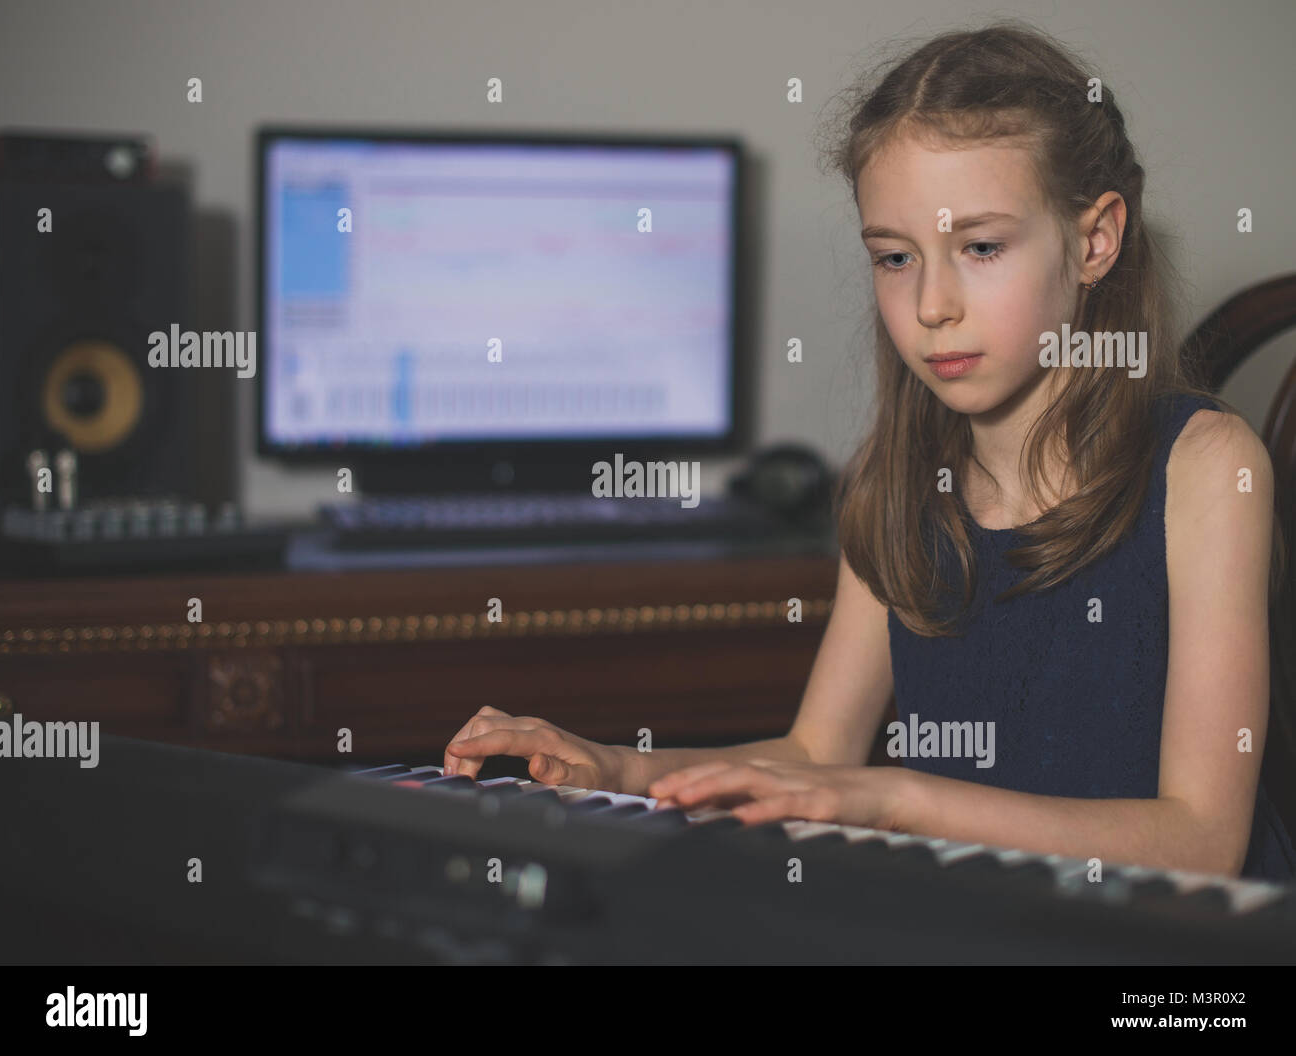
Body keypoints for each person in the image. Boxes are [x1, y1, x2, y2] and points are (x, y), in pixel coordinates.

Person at [443, 18, 1296, 882]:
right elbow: (816, 751)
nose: (931, 304)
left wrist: (894, 800)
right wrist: (616, 769)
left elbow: (1202, 839)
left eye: (982, 247)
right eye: (895, 257)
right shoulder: (895, 482)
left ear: (1095, 240)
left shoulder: (1205, 468)